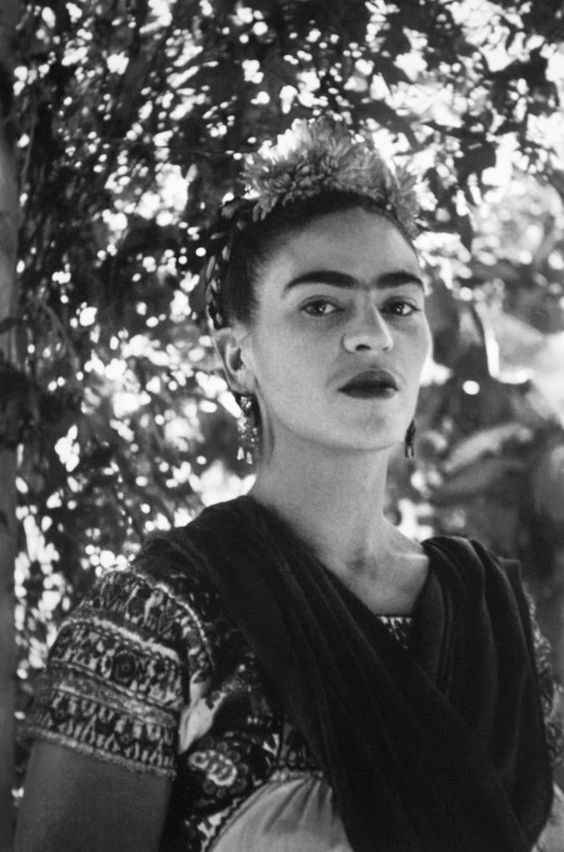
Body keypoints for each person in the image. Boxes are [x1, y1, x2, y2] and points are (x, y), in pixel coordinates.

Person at [15, 117, 564, 851]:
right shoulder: (158, 618)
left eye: (399, 304)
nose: (372, 334)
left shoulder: (494, 613)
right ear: (236, 359)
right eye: (321, 305)